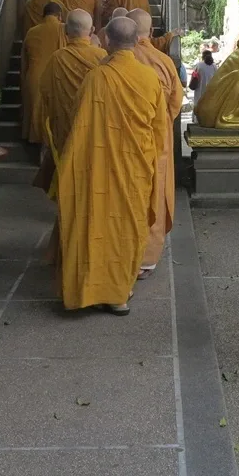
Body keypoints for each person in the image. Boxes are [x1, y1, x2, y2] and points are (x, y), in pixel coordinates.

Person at [57, 16, 168, 316]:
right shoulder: (149, 79)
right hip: (135, 169)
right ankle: (119, 294)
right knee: (126, 229)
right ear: (136, 41)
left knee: (96, 226)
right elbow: (159, 131)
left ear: (106, 40)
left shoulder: (96, 78)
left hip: (97, 168)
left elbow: (78, 123)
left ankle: (90, 291)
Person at [128, 9, 182, 279]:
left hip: (124, 141)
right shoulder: (164, 62)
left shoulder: (112, 63)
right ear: (150, 32)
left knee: (127, 195)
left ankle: (122, 252)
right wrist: (161, 124)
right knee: (154, 194)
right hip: (158, 141)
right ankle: (147, 260)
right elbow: (175, 102)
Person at [33, 9, 107, 203]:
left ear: (65, 30)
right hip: (94, 126)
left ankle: (67, 208)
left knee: (67, 167)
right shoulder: (102, 57)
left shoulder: (57, 58)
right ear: (92, 30)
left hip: (65, 125)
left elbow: (45, 91)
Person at [21, 2, 67, 143]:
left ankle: (31, 138)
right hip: (54, 76)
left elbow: (24, 62)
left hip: (33, 76)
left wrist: (23, 81)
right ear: (59, 16)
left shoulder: (31, 32)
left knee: (33, 110)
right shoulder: (63, 29)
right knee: (51, 113)